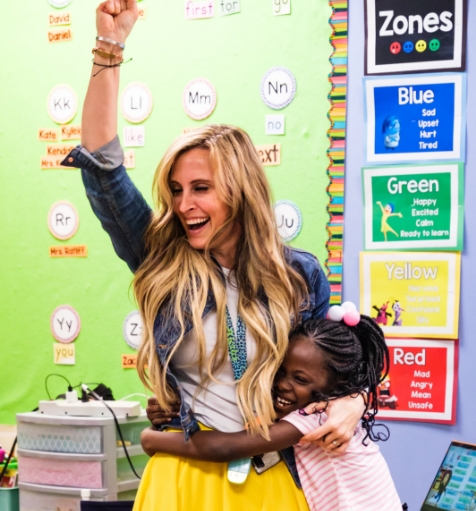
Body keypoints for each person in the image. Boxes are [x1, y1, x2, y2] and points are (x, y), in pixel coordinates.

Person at [62, 0, 367, 509]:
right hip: (180, 474)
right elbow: (102, 167)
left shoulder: (300, 274)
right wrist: (109, 47)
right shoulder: (160, 256)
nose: (184, 205)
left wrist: (355, 401)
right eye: (176, 190)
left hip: (270, 479)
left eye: (201, 187)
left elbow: (330, 371)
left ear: (240, 190)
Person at [141, 312, 402, 511]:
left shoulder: (316, 416)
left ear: (337, 386)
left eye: (300, 379)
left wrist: (151, 439)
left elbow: (223, 448)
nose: (282, 384)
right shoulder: (315, 405)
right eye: (280, 371)